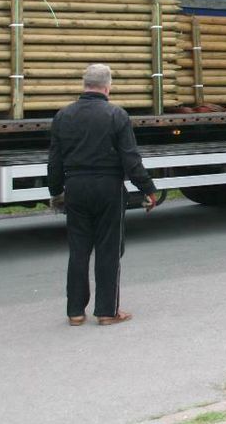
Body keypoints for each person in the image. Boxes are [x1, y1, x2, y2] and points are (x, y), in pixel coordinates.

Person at [48, 64, 159, 327]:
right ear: (108, 87)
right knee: (108, 250)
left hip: (75, 188)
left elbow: (54, 161)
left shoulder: (63, 116)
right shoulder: (116, 115)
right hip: (108, 188)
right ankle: (107, 312)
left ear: (84, 84)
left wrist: (56, 192)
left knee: (78, 250)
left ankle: (75, 312)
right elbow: (130, 159)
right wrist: (148, 189)